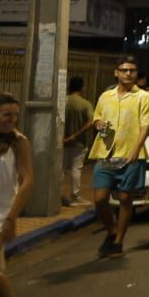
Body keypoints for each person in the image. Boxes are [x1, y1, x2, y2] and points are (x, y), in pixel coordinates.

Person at [89, 56, 149, 258]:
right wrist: (97, 124)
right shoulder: (105, 97)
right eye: (124, 70)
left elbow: (146, 125)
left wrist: (136, 150)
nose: (128, 74)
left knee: (126, 198)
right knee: (100, 199)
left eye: (132, 70)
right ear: (116, 72)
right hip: (105, 153)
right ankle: (112, 230)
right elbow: (97, 117)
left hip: (130, 154)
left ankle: (119, 241)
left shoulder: (144, 97)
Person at [0, 95, 32, 297]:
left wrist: (12, 217)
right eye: (7, 114)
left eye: (15, 115)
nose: (12, 120)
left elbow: (27, 180)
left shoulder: (18, 142)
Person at [61, 76, 95, 206]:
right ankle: (75, 196)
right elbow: (91, 122)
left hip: (62, 142)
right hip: (78, 142)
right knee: (76, 169)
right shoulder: (85, 104)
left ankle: (57, 195)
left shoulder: (63, 101)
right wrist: (75, 135)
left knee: (61, 170)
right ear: (82, 88)